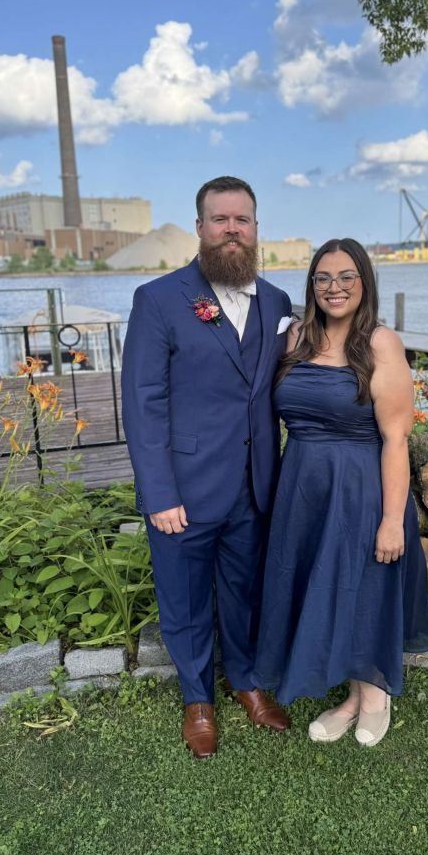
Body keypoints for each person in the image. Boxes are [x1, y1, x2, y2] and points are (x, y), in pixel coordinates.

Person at [121, 176, 293, 759]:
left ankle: (245, 680)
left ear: (254, 227)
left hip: (254, 485)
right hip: (185, 491)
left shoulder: (276, 303)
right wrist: (159, 493)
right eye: (219, 219)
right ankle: (198, 699)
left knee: (244, 592)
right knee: (186, 599)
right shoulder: (159, 299)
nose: (231, 230)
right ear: (199, 228)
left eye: (241, 219)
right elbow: (143, 405)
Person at [253, 237, 428, 747]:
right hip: (304, 484)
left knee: (363, 586)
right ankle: (353, 697)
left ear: (364, 283)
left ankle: (375, 694)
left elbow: (397, 438)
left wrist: (390, 518)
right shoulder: (293, 341)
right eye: (323, 278)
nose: (334, 287)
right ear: (311, 286)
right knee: (327, 583)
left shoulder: (380, 344)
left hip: (361, 486)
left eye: (346, 277)